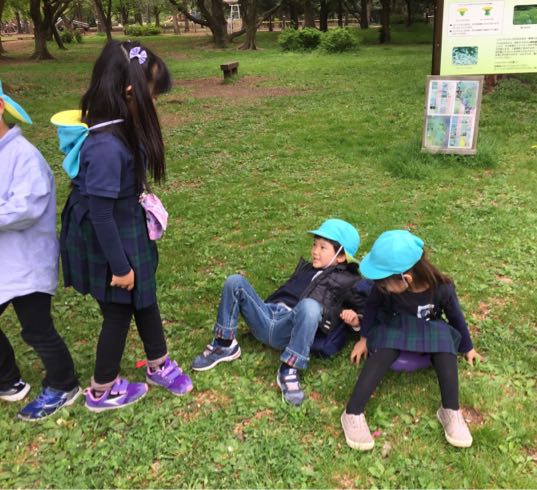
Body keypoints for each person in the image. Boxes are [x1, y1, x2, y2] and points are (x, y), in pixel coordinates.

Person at [56, 41, 192, 412]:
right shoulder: (105, 147)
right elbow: (100, 215)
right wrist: (119, 268)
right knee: (118, 311)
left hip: (126, 226)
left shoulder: (122, 128)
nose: (155, 103)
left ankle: (158, 363)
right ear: (130, 91)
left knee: (144, 296)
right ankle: (102, 390)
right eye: (153, 95)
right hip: (108, 241)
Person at [192, 218, 366, 406]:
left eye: (323, 247)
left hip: (290, 326)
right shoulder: (309, 268)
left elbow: (369, 308)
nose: (315, 251)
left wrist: (357, 323)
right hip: (267, 314)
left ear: (341, 257)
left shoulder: (348, 281)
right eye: (314, 245)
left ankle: (289, 368)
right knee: (235, 281)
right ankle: (225, 344)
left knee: (310, 306)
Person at [341, 230, 482, 450]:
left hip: (427, 327)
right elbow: (371, 308)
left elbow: (455, 316)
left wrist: (468, 347)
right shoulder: (384, 287)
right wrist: (364, 338)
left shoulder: (442, 289)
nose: (380, 286)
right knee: (385, 347)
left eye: (384, 283)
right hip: (394, 326)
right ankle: (352, 412)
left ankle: (450, 411)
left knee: (445, 340)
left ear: (405, 279)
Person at [0, 80, 81, 421]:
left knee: (36, 328)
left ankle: (64, 384)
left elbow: (26, 208)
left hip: (27, 262)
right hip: (5, 262)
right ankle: (8, 381)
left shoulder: (24, 156)